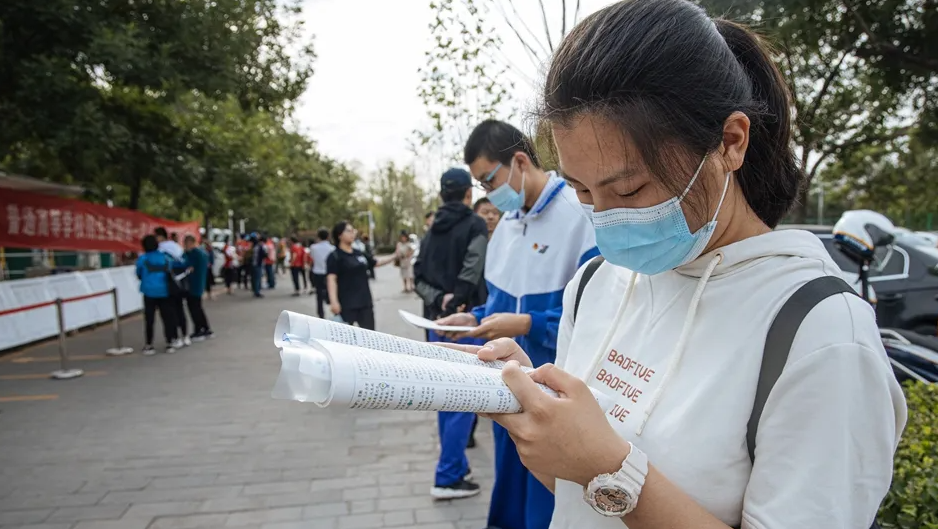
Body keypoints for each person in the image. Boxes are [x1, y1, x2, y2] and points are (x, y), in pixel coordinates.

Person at [457, 2, 906, 528]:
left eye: (629, 189)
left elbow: (599, 475)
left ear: (730, 142)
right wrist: (533, 415)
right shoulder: (595, 284)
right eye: (582, 191)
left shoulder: (821, 332)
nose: (606, 218)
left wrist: (609, 468)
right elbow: (576, 499)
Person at [437, 119, 599, 529]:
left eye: (489, 180)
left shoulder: (579, 216)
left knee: (549, 498)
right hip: (504, 386)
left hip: (554, 388)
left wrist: (528, 323)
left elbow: (595, 315)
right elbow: (498, 302)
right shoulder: (507, 225)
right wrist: (473, 318)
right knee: (509, 485)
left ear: (521, 162)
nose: (489, 193)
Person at [414, 167, 490, 500]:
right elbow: (474, 266)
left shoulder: (430, 232)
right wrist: (458, 299)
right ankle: (447, 476)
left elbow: (418, 276)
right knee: (464, 399)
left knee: (445, 398)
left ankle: (456, 465)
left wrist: (439, 301)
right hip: (467, 322)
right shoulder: (475, 225)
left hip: (436, 323)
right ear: (468, 194)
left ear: (442, 194)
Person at [326, 221, 395, 329]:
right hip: (347, 304)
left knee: (369, 334)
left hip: (364, 302)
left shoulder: (359, 253)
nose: (352, 233)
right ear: (339, 235)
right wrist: (334, 302)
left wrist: (395, 255)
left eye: (353, 231)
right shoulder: (335, 256)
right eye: (348, 231)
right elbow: (331, 279)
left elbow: (376, 262)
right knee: (346, 335)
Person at [136, 235, 181, 355]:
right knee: (167, 318)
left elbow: (139, 273)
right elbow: (172, 268)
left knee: (149, 319)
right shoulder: (165, 257)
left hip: (149, 291)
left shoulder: (143, 259)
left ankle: (149, 344)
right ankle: (169, 342)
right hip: (164, 291)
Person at [155, 227, 190, 346]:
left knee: (171, 313)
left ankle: (175, 337)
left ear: (160, 236)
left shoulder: (160, 249)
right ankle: (185, 335)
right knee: (180, 310)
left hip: (168, 283)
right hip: (180, 282)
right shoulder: (176, 246)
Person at [183, 235, 214, 340]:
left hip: (193, 284)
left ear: (190, 243)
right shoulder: (203, 253)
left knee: (194, 309)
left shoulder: (193, 254)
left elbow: (186, 265)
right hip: (199, 284)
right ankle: (205, 328)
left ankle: (199, 329)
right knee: (198, 308)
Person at [309, 229, 335, 317]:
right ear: (328, 237)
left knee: (319, 294)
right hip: (329, 273)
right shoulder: (332, 248)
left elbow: (312, 258)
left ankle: (321, 313)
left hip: (317, 272)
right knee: (332, 292)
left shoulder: (313, 247)